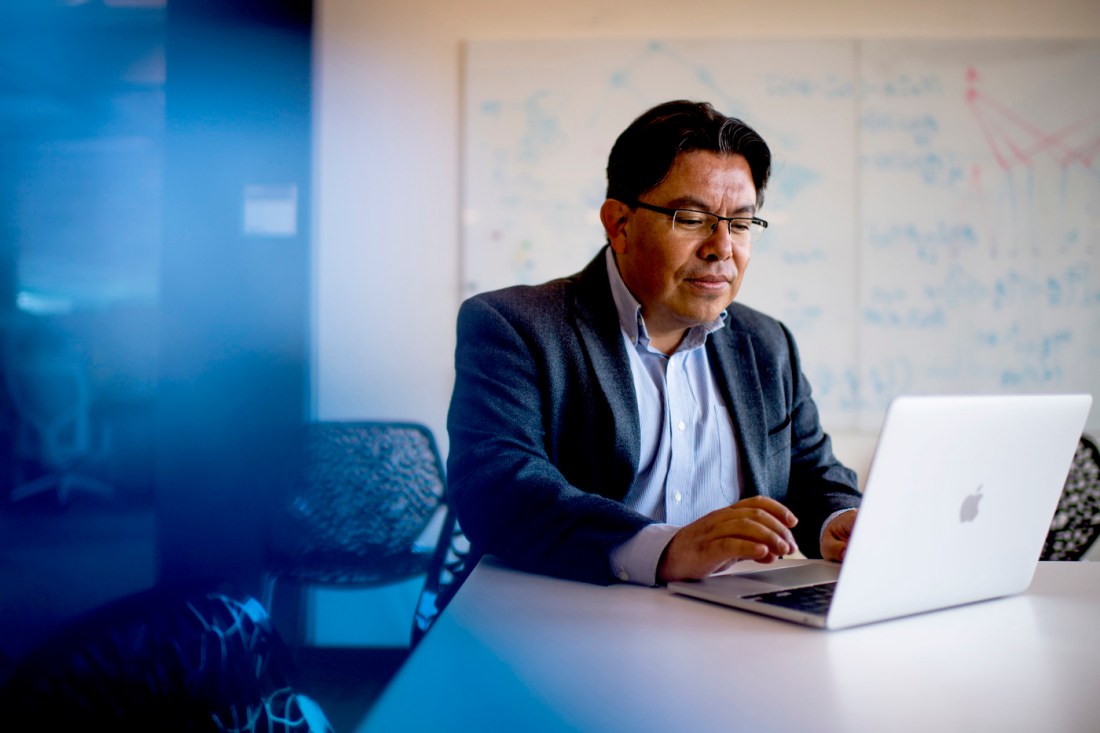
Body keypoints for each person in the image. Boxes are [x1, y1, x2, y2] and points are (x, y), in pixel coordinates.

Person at [446, 99, 861, 587]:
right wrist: (663, 549)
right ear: (619, 225)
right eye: (690, 218)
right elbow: (499, 490)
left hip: (738, 621)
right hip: (570, 617)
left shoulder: (767, 344)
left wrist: (842, 523)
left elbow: (815, 478)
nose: (721, 248)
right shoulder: (514, 326)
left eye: (742, 224)